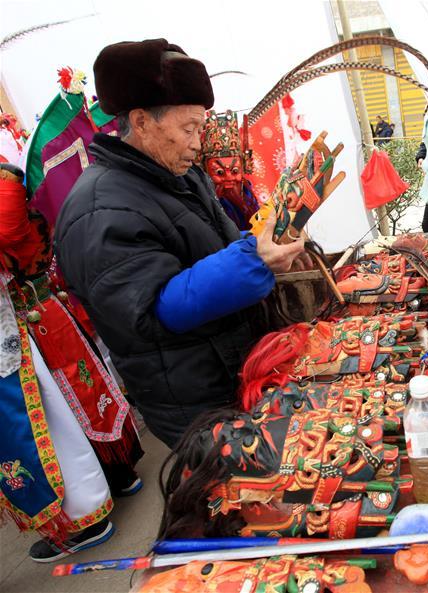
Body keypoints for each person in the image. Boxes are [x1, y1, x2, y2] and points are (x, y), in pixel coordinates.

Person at [54, 39, 308, 447]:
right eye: (189, 129)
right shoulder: (98, 209)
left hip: (235, 372)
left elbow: (214, 250)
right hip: (193, 402)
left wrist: (264, 245)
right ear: (141, 121)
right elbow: (155, 309)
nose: (198, 142)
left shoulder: (179, 174)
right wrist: (252, 259)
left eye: (201, 127)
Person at [0, 164, 120, 562]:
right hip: (29, 317)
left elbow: (11, 231)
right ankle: (112, 482)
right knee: (68, 400)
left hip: (22, 323)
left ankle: (86, 517)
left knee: (49, 418)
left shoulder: (6, 185)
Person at [199, 109, 260, 230]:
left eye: (235, 171)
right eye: (219, 172)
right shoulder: (201, 205)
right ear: (204, 170)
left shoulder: (248, 197)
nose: (229, 178)